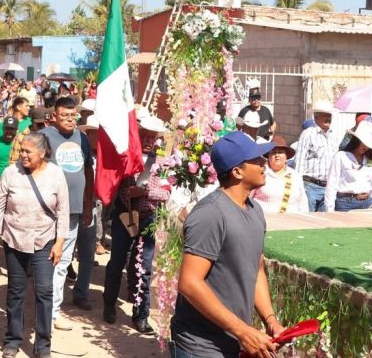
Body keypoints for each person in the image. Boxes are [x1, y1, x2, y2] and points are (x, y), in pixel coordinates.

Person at [170, 132, 284, 358]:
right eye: (256, 160)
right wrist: (243, 332)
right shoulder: (210, 214)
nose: (264, 163)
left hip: (233, 343)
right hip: (200, 348)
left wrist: (270, 320)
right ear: (237, 171)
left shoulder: (255, 210)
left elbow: (256, 269)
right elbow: (190, 283)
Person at [0, 132, 68, 358]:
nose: (22, 155)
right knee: (16, 291)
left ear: (42, 153)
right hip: (14, 239)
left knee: (44, 290)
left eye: (28, 151)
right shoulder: (10, 173)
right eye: (21, 150)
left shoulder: (56, 174)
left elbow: (63, 211)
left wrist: (59, 243)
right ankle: (12, 340)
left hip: (45, 240)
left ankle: (43, 345)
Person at [102, 115, 170, 333]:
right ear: (137, 135)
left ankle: (141, 315)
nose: (148, 140)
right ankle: (109, 304)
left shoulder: (163, 163)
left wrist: (145, 191)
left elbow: (166, 193)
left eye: (152, 136)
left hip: (148, 217)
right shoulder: (126, 157)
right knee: (117, 261)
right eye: (145, 136)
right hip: (125, 214)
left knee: (145, 267)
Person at [42, 97, 94, 331]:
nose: (70, 120)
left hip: (73, 211)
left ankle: (53, 312)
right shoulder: (45, 137)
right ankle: (44, 308)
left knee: (62, 262)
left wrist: (87, 204)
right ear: (54, 116)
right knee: (45, 260)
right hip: (48, 212)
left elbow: (88, 171)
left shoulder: (82, 138)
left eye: (73, 116)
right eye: (64, 115)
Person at [323, 120, 372, 212]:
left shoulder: (370, 160)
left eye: (367, 144)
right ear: (356, 140)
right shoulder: (341, 156)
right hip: (345, 205)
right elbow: (332, 185)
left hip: (367, 204)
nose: (365, 147)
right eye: (362, 142)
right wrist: (329, 209)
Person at [294, 101, 340, 212]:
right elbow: (299, 162)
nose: (328, 118)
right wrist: (299, 187)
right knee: (308, 219)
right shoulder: (308, 134)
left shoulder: (334, 136)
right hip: (310, 187)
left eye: (329, 115)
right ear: (316, 117)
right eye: (325, 115)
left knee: (324, 220)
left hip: (328, 188)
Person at [252, 136, 308, 214]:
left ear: (286, 156)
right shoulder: (260, 173)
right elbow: (248, 198)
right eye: (274, 152)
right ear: (268, 156)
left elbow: (303, 202)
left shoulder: (295, 175)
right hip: (264, 219)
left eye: (281, 152)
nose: (277, 155)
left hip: (292, 220)